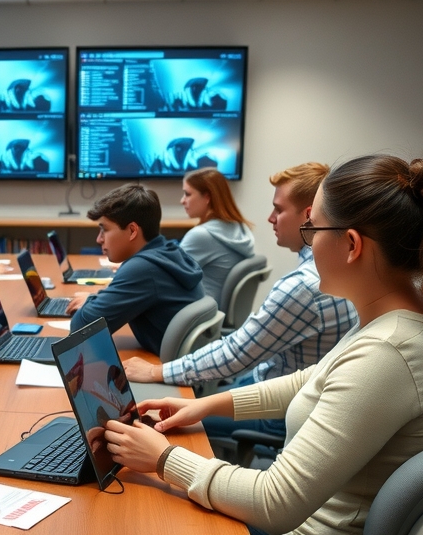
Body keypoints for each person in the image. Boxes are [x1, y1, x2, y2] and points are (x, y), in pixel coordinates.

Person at [104, 154, 423, 535]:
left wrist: (163, 458)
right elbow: (314, 379)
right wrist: (203, 405)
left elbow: (273, 503)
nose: (309, 245)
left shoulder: (389, 352)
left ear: (351, 245)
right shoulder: (403, 317)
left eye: (313, 231)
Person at [124, 163, 357, 443]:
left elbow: (235, 355)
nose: (271, 218)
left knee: (154, 422)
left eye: (279, 210)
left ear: (309, 216)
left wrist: (155, 371)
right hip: (270, 383)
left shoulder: (304, 286)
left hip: (277, 413)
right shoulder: (337, 271)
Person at [67, 183, 204, 355]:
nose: (99, 239)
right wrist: (95, 299)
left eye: (104, 229)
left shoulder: (143, 269)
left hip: (172, 374)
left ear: (132, 230)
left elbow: (81, 330)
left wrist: (90, 301)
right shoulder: (167, 251)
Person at [178, 167, 255, 300]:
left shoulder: (201, 235)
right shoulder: (240, 228)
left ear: (207, 197)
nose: (182, 200)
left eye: (187, 194)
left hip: (197, 313)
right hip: (214, 315)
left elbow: (168, 278)